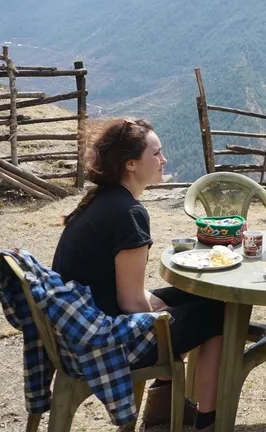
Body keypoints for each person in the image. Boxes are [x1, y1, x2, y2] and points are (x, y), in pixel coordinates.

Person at [52, 118, 224, 432]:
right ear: (130, 164)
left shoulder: (104, 200)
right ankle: (207, 420)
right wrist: (163, 312)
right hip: (106, 340)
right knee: (218, 313)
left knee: (205, 295)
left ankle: (162, 408)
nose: (164, 160)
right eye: (156, 154)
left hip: (83, 325)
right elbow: (131, 302)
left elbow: (123, 294)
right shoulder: (129, 213)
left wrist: (161, 307)